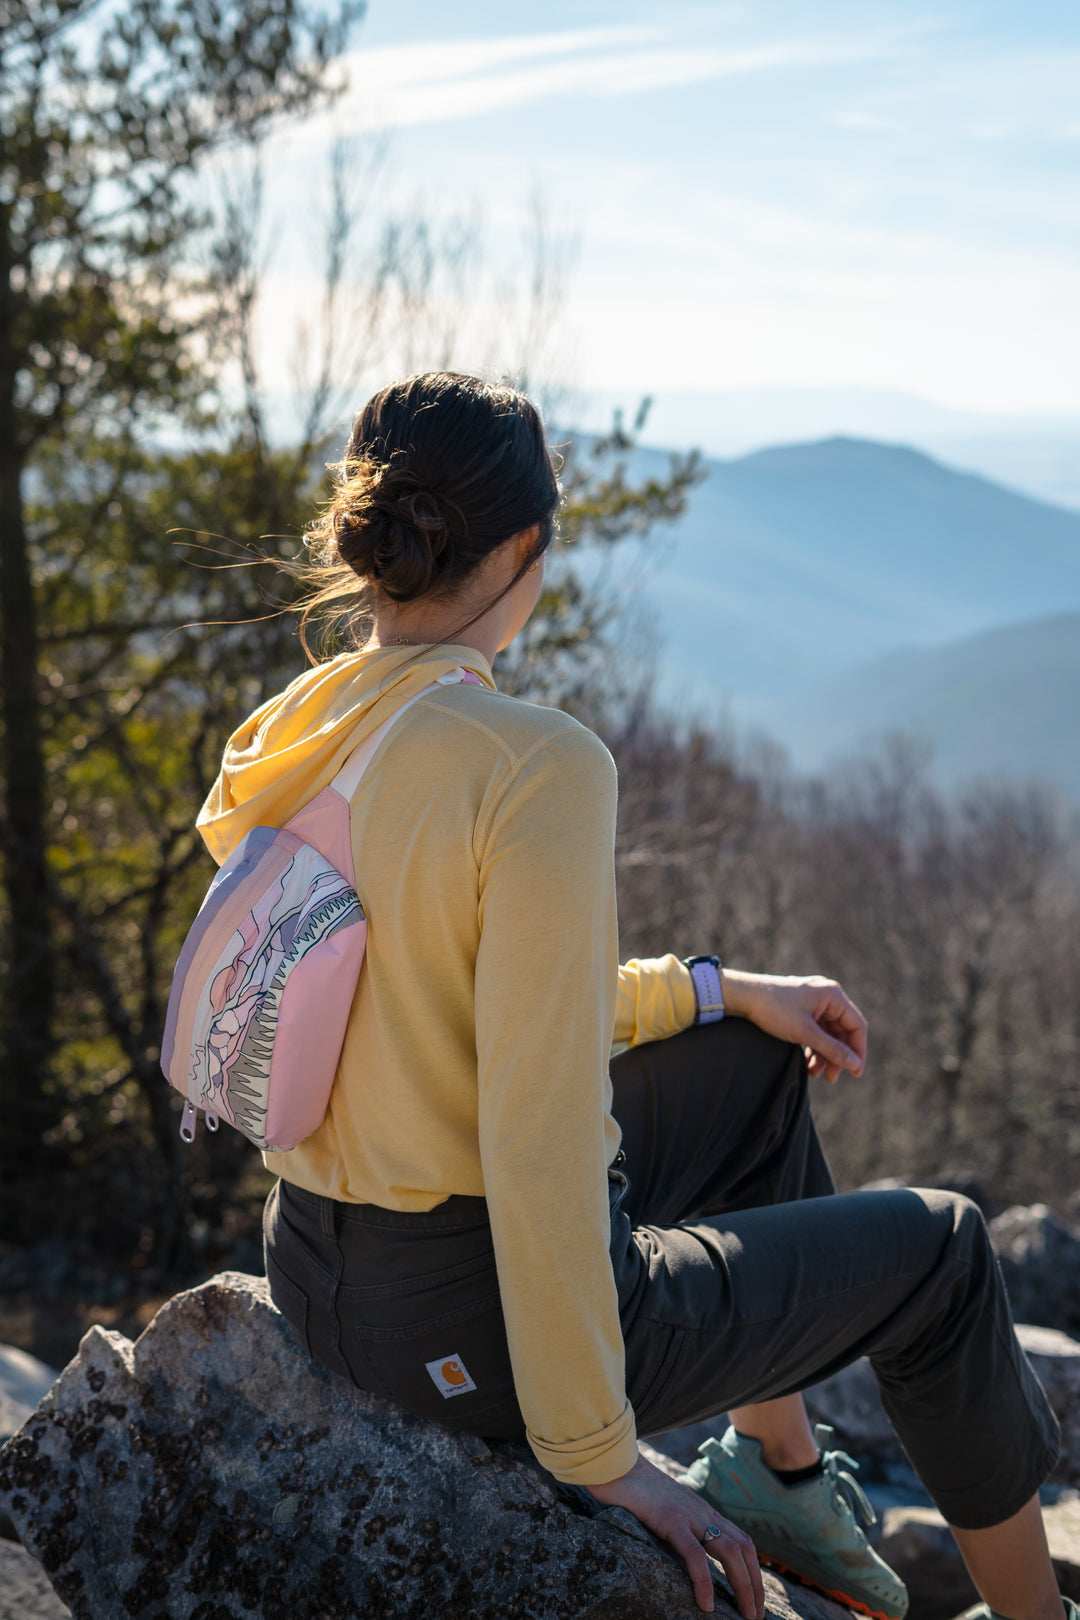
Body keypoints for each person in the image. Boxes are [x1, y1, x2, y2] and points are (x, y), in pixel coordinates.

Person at [198, 371, 1070, 1620]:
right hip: (466, 1331)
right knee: (944, 1250)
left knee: (750, 1060)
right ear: (525, 548)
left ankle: (781, 1472)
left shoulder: (304, 731)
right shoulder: (531, 766)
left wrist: (719, 990)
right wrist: (603, 1455)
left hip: (323, 1272)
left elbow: (451, 1009)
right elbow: (540, 1130)